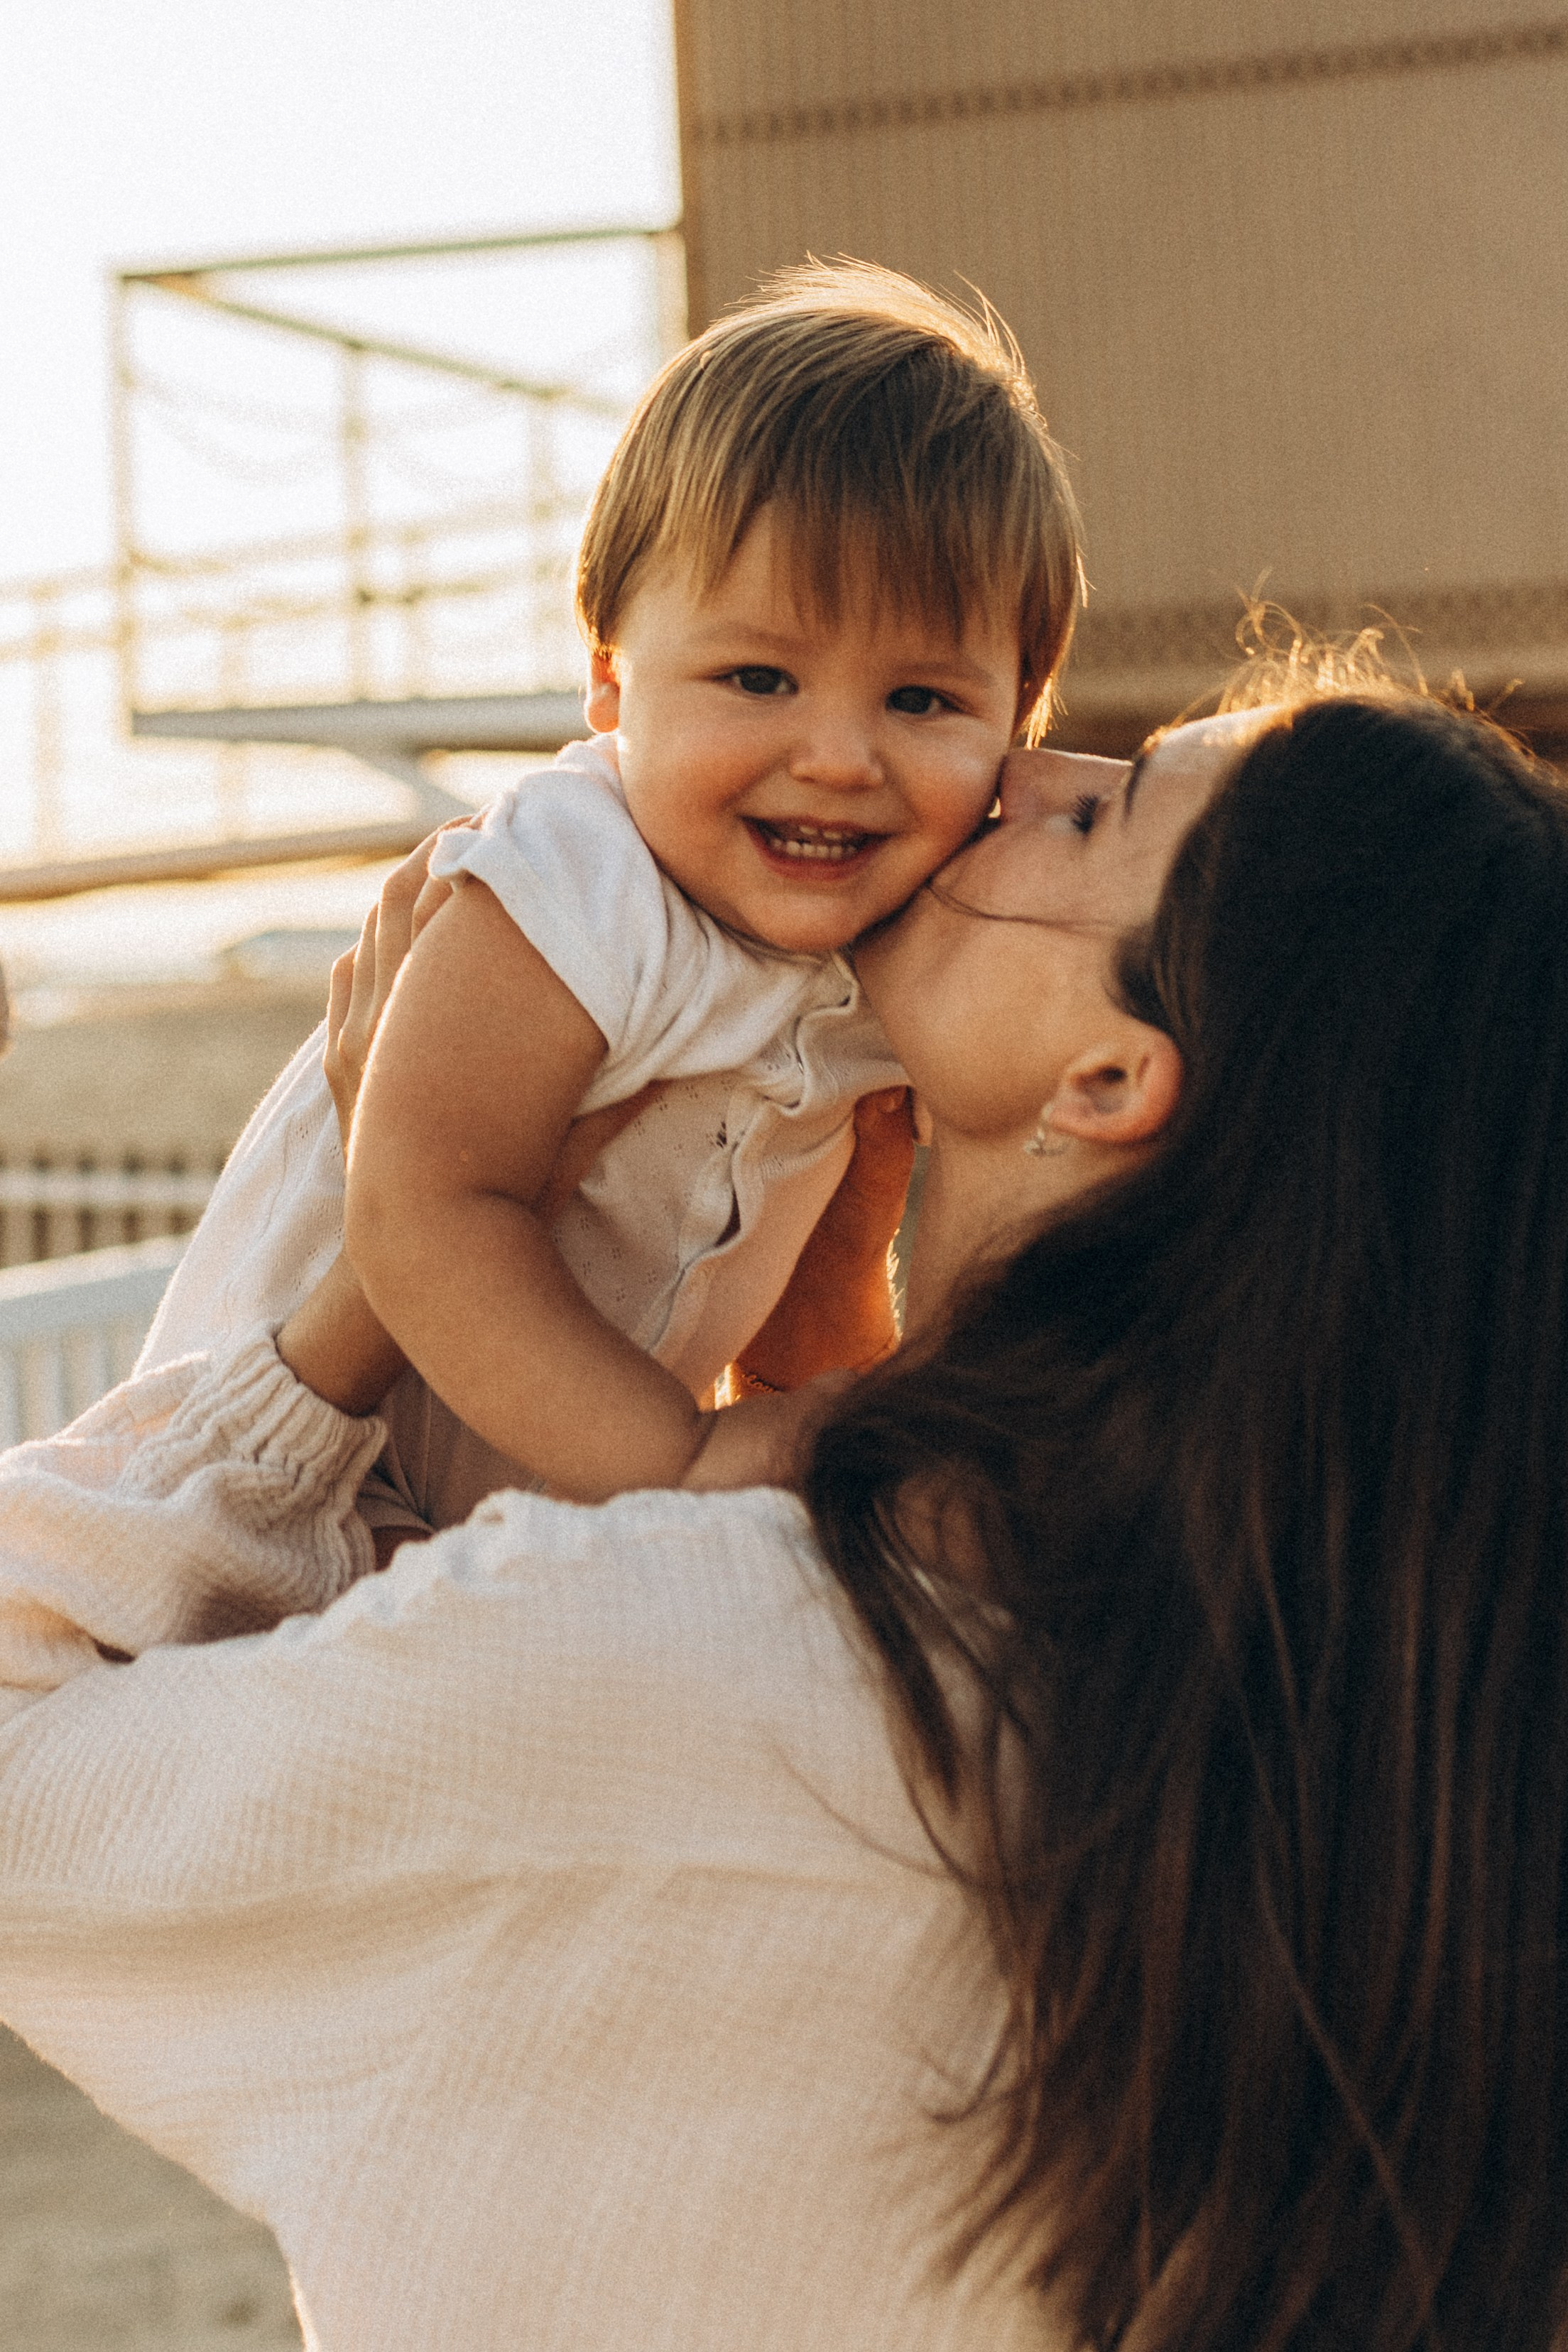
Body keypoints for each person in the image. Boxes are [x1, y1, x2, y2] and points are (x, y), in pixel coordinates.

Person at [1, 680, 1566, 2352]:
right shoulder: (1422, 1808)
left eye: (1104, 813)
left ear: (1110, 1077)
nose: (1020, 772)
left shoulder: (671, 1666)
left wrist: (366, 1237)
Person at [140, 258, 1083, 1529]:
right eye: (758, 678)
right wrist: (680, 1461)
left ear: (1016, 725)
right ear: (610, 678)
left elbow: (810, 1331)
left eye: (922, 700)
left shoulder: (889, 954)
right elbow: (425, 1207)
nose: (840, 757)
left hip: (514, 1536)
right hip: (282, 1493)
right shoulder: (576, 876)